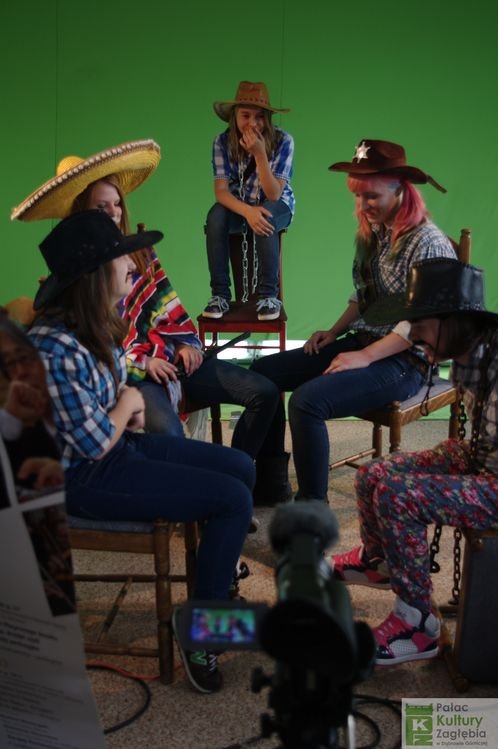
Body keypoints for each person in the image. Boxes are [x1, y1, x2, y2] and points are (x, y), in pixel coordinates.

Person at [28, 210, 254, 694]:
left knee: (240, 467)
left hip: (112, 450)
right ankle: (202, 636)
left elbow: (107, 407)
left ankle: (215, 585)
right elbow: (94, 442)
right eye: (122, 259)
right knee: (232, 499)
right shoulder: (52, 348)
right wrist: (129, 404)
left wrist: (122, 407)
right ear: (94, 276)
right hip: (81, 477)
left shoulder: (95, 328)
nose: (134, 265)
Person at [11, 140, 281, 467]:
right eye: (101, 207)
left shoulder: (139, 252)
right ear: (81, 213)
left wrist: (185, 345)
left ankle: (241, 475)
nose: (114, 212)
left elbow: (166, 304)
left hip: (171, 357)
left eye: (117, 204)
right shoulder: (74, 276)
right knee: (169, 436)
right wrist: (143, 363)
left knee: (264, 392)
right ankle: (188, 493)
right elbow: (95, 353)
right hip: (133, 375)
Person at [244, 139, 457, 505]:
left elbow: (424, 322)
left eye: (371, 196)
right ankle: (270, 484)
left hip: (406, 361)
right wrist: (334, 332)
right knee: (263, 373)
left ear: (400, 190)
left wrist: (365, 356)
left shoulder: (427, 242)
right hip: (367, 342)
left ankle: (313, 509)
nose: (362, 205)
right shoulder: (375, 231)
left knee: (307, 402)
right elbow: (365, 295)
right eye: (357, 196)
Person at [331, 257, 498, 666]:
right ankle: (380, 561)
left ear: (453, 322)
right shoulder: (472, 351)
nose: (414, 335)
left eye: (419, 325)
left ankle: (417, 624)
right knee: (374, 473)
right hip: (484, 455)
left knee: (399, 495)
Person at [202, 81, 294, 322]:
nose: (253, 123)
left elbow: (273, 194)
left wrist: (260, 154)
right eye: (245, 115)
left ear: (268, 119)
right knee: (215, 217)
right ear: (234, 116)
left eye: (260, 117)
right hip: (239, 204)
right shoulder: (221, 142)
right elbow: (221, 192)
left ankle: (269, 297)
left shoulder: (284, 141)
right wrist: (247, 211)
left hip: (277, 203)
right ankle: (219, 295)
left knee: (266, 214)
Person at [0, 316, 63, 493]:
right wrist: (11, 418)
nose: (20, 373)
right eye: (10, 364)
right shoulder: (23, 437)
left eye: (24, 358)